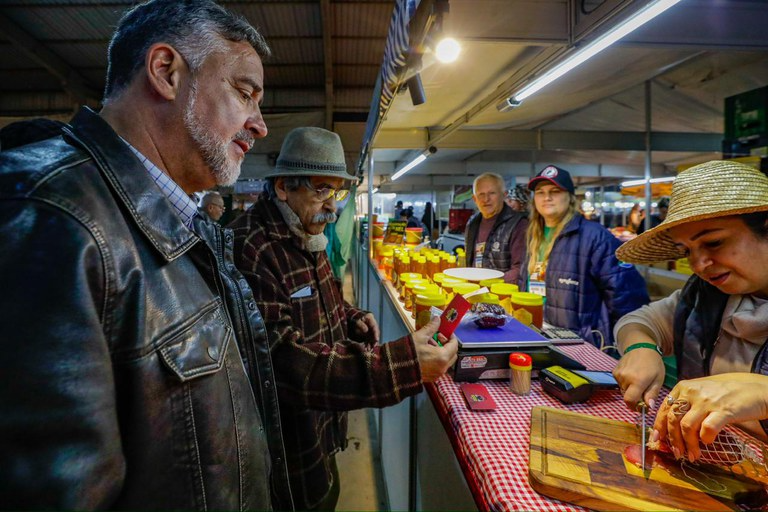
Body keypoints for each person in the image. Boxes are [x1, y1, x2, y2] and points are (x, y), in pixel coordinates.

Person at [0, 1, 292, 509]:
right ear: (166, 72)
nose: (259, 124)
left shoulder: (177, 216)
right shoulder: (50, 215)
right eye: (244, 93)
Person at [229, 126, 458, 511]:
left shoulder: (304, 228)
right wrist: (402, 364)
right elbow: (281, 362)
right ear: (284, 187)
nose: (332, 205)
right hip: (288, 453)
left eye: (336, 191)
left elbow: (323, 294)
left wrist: (351, 316)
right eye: (322, 189)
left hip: (323, 428)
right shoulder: (251, 247)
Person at [613, 160, 768, 462]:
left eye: (713, 242)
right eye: (687, 250)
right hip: (717, 466)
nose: (698, 265)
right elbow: (638, 321)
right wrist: (641, 347)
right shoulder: (706, 295)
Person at [521, 165, 649, 348]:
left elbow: (626, 295)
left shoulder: (595, 236)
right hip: (536, 334)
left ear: (570, 197)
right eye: (540, 192)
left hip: (579, 343)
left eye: (555, 191)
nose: (547, 197)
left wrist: (632, 344)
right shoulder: (533, 235)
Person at [465, 172, 528, 283]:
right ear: (474, 199)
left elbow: (521, 269)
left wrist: (491, 282)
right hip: (477, 292)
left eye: (492, 193)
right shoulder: (472, 223)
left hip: (503, 295)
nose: (486, 199)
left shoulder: (518, 224)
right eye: (481, 194)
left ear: (504, 195)